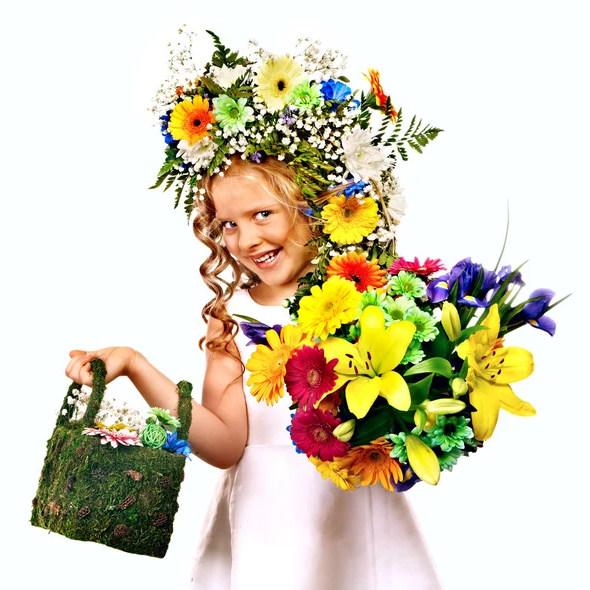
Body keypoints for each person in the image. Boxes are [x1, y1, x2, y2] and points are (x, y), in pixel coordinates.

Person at [66, 30, 444, 589]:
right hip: (271, 526)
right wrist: (136, 365)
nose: (246, 239)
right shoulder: (235, 317)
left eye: (264, 214)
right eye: (229, 224)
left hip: (357, 514)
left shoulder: (375, 298)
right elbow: (224, 446)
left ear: (314, 206)